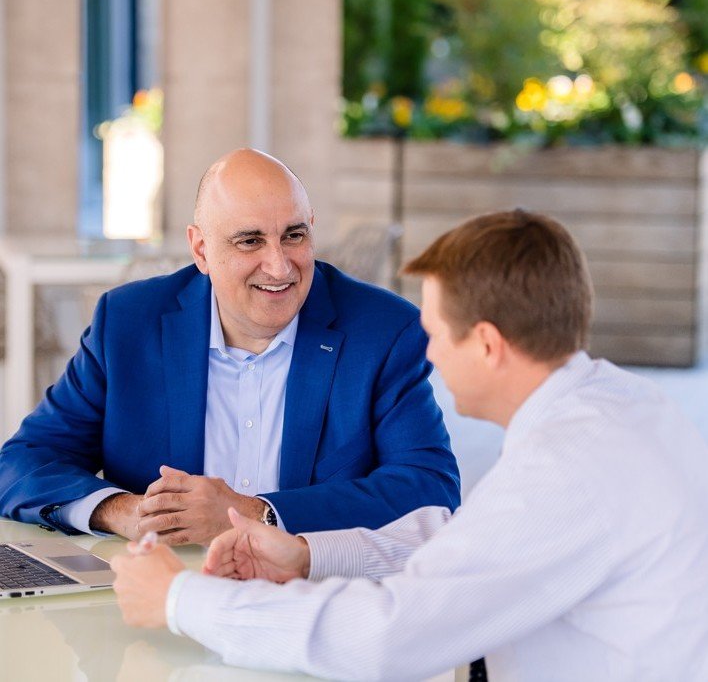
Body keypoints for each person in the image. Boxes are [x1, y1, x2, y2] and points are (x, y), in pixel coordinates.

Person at [111, 210, 708, 681]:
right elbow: (465, 546)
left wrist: (178, 598)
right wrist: (305, 553)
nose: (427, 354)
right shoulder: (618, 408)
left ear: (487, 345)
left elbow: (384, 640)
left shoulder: (567, 467)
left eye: (435, 333)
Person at [0, 149, 460, 545]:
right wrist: (122, 511)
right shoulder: (128, 323)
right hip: (161, 595)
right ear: (200, 250)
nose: (279, 267)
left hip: (312, 600)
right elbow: (20, 463)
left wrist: (254, 512)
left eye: (294, 235)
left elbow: (430, 489)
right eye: (250, 241)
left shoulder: (383, 331)